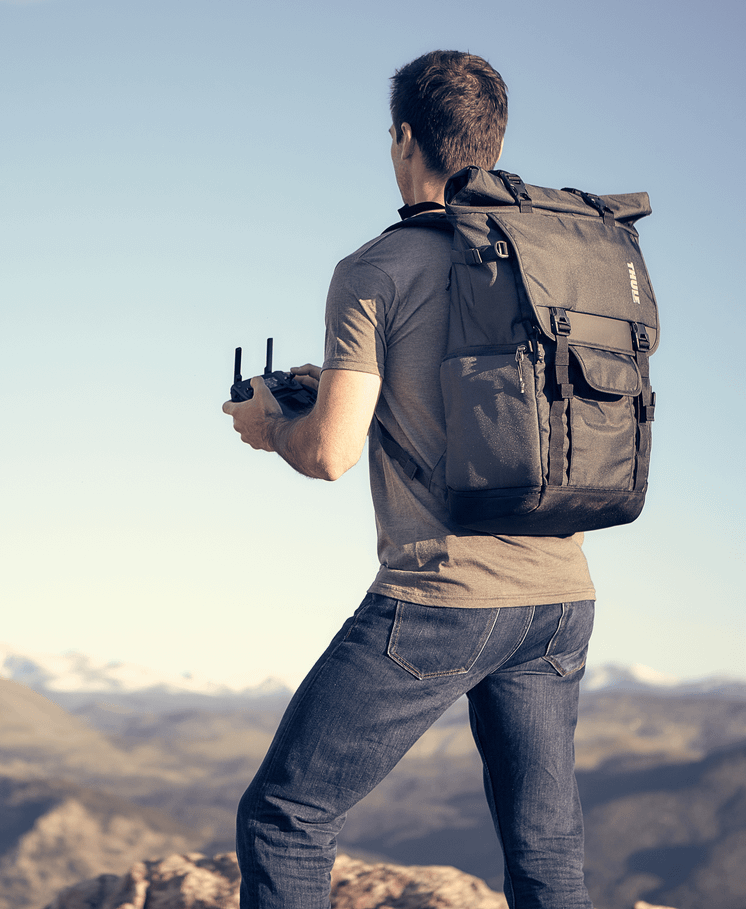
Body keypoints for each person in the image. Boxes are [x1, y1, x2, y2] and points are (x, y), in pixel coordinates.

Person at [222, 50, 596, 909]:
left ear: (402, 138)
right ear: (491, 143)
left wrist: (270, 424)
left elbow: (329, 453)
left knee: (285, 814)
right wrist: (347, 384)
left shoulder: (375, 269)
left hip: (442, 597)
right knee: (545, 848)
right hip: (559, 597)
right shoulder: (542, 256)